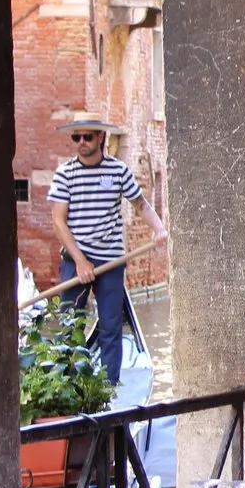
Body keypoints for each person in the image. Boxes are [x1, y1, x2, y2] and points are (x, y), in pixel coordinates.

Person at [46, 116, 164, 386]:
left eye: (87, 137)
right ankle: (70, 387)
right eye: (76, 137)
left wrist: (159, 230)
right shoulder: (65, 173)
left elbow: (141, 205)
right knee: (69, 325)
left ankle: (108, 389)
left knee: (111, 327)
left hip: (111, 260)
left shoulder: (118, 171)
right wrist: (80, 261)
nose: (82, 143)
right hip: (75, 259)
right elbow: (58, 222)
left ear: (101, 137)